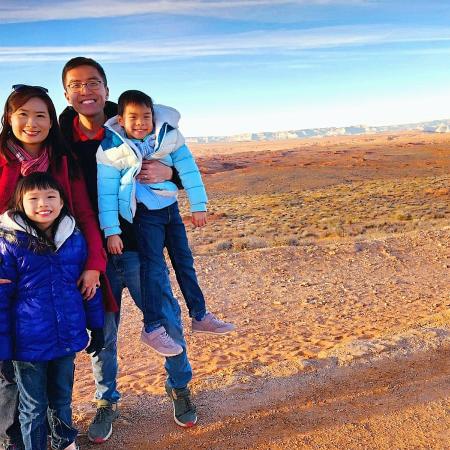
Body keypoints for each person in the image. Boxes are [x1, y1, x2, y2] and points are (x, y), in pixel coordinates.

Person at [59, 57, 198, 442]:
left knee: (165, 316)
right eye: (76, 85)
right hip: (89, 254)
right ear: (66, 93)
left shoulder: (133, 124)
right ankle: (106, 401)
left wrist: (171, 175)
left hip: (140, 247)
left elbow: (182, 165)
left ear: (106, 88)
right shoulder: (61, 137)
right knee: (102, 332)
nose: (86, 91)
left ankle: (180, 386)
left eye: (93, 83)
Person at [0, 84, 114, 450]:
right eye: (23, 114)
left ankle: (58, 437)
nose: (32, 123)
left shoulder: (63, 161)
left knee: (55, 382)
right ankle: (16, 441)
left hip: (57, 276)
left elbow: (83, 214)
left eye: (41, 115)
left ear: (52, 121)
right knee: (8, 378)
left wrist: (95, 264)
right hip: (9, 272)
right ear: (8, 118)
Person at [97, 89, 235, 356]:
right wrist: (111, 230)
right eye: (133, 117)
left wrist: (198, 205)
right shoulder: (112, 150)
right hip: (145, 215)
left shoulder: (168, 138)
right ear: (121, 120)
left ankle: (200, 314)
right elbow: (107, 194)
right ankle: (151, 327)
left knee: (185, 261)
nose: (141, 122)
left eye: (146, 116)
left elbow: (189, 170)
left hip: (171, 210)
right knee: (153, 269)